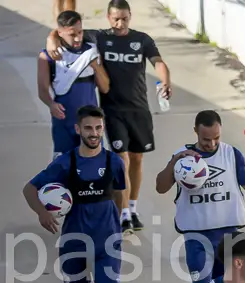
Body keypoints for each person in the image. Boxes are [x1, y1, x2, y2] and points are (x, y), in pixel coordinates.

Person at [22, 105, 128, 283]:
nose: (94, 133)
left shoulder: (114, 161)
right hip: (74, 244)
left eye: (98, 128)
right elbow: (29, 189)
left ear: (102, 129)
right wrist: (42, 212)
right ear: (78, 129)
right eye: (88, 128)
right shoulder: (66, 163)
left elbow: (121, 191)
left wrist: (116, 225)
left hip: (108, 244)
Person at [46, 0, 173, 235]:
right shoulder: (99, 38)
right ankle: (122, 212)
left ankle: (131, 209)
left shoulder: (142, 39)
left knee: (136, 160)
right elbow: (67, 29)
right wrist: (51, 37)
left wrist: (165, 80)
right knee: (121, 160)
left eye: (124, 18)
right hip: (112, 110)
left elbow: (158, 62)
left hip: (139, 109)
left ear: (130, 16)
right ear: (108, 18)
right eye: (115, 18)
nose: (120, 23)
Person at [155, 110, 245, 283]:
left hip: (229, 237)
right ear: (195, 131)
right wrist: (174, 162)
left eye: (216, 138)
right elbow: (160, 187)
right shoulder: (182, 158)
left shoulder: (231, 154)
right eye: (206, 140)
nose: (212, 144)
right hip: (196, 239)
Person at [38, 10, 110, 159]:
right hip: (64, 122)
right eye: (72, 34)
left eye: (80, 32)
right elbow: (43, 90)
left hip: (91, 123)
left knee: (94, 167)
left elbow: (105, 87)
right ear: (60, 32)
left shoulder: (92, 50)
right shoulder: (47, 56)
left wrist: (96, 67)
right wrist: (51, 104)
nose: (78, 38)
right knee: (64, 169)